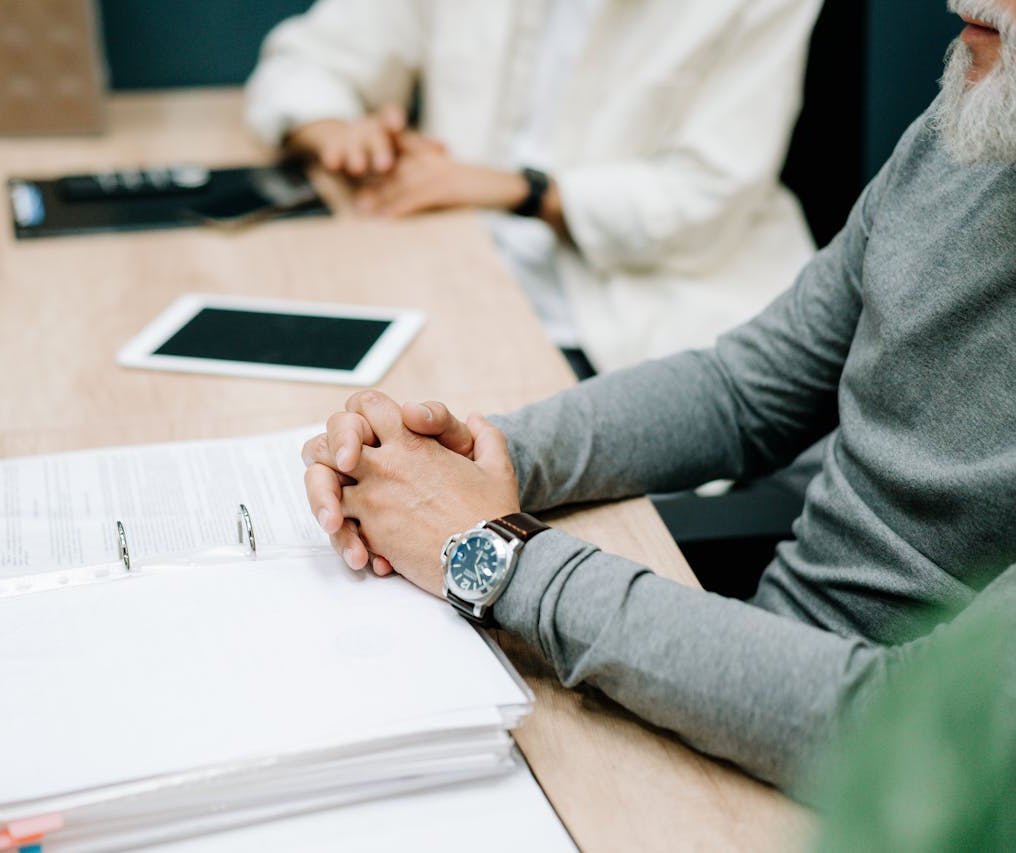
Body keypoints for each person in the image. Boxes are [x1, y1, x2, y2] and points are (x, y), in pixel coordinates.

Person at [300, 0, 1016, 790]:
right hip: (722, 694)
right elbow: (743, 391)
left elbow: (900, 728)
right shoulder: (971, 130)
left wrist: (497, 557)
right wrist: (466, 457)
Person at [245, 0, 821, 375]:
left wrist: (516, 190)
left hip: (646, 319)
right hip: (454, 274)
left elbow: (705, 201)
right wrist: (337, 131)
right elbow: (309, 60)